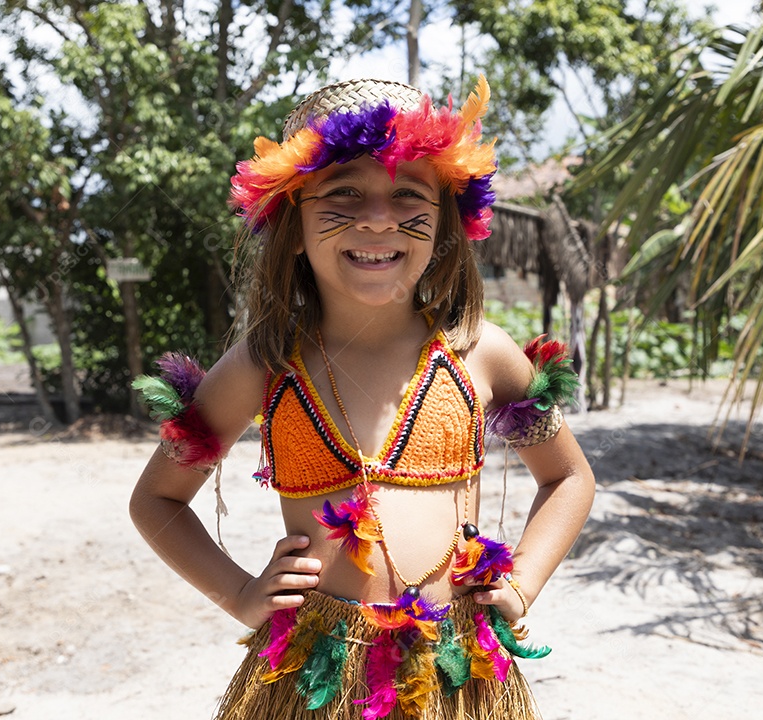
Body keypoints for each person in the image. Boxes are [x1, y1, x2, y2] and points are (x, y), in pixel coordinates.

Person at [129, 76, 595, 720]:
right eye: (344, 194)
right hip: (312, 677)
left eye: (408, 195)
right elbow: (157, 499)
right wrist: (239, 594)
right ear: (292, 225)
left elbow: (569, 477)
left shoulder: (479, 353)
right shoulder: (264, 364)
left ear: (446, 227)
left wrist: (523, 585)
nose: (378, 218)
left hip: (455, 671)